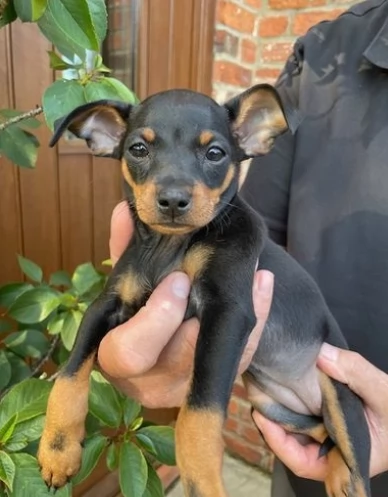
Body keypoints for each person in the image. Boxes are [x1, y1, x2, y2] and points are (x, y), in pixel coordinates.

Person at [98, 0, 388, 495]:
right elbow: (243, 245)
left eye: (211, 153)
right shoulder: (326, 53)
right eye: (143, 149)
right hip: (299, 443)